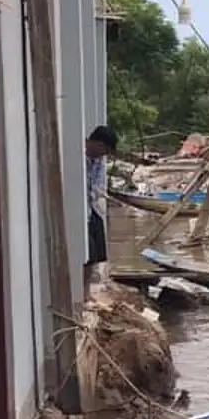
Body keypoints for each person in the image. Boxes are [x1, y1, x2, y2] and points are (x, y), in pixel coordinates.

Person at [85, 125, 117, 294]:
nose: (104, 154)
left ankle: (87, 293)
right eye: (105, 149)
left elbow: (97, 186)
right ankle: (82, 294)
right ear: (96, 143)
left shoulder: (97, 162)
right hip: (81, 210)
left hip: (93, 209)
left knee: (97, 253)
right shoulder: (79, 156)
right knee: (86, 252)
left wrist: (101, 195)